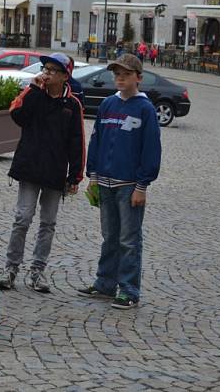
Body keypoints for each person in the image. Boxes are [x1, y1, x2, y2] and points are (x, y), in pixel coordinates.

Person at [0, 52, 85, 293]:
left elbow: (77, 141)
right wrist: (33, 90)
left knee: (48, 223)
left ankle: (37, 270)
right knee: (22, 218)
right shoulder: (34, 93)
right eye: (45, 68)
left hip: (55, 172)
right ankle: (11, 268)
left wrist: (75, 175)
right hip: (30, 166)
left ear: (65, 76)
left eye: (53, 70)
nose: (47, 73)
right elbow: (17, 115)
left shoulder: (72, 105)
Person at [77, 53, 161, 309]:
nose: (120, 79)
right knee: (109, 236)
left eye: (126, 74)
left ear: (138, 78)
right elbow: (97, 140)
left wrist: (142, 185)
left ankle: (128, 290)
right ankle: (105, 283)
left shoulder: (145, 109)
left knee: (129, 239)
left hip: (129, 186)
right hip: (105, 182)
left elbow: (151, 149)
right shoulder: (108, 105)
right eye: (117, 75)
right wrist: (92, 176)